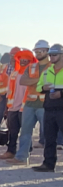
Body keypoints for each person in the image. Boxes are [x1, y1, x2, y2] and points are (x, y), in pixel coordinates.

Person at [12, 40, 53, 165]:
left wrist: (32, 80)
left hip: (45, 105)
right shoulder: (31, 67)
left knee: (49, 134)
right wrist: (41, 80)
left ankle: (49, 160)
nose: (38, 53)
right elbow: (23, 81)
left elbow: (52, 83)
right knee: (25, 132)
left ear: (47, 51)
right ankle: (21, 157)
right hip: (30, 104)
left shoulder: (53, 67)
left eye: (41, 51)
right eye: (37, 51)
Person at [25, 43, 63, 172]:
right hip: (49, 108)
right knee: (49, 138)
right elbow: (38, 87)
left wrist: (61, 94)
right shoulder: (47, 71)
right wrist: (43, 88)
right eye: (50, 55)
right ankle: (48, 164)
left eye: (54, 54)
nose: (51, 57)